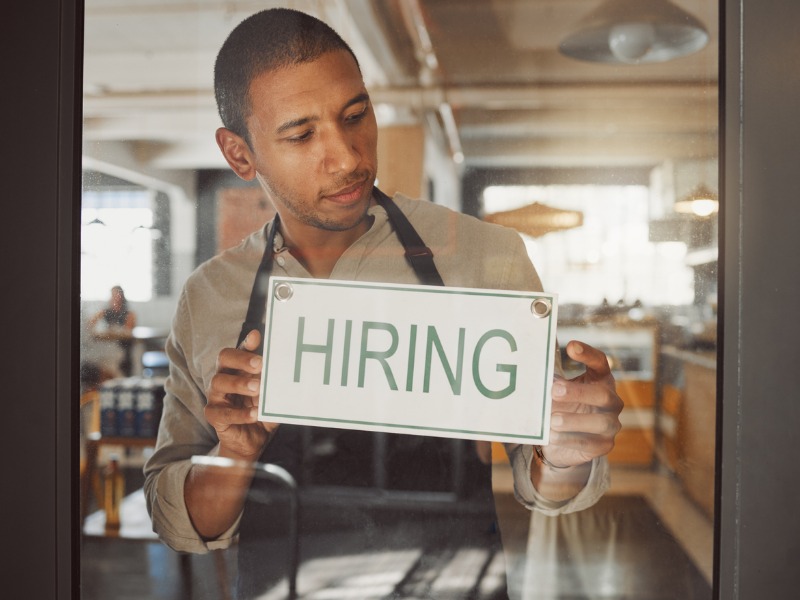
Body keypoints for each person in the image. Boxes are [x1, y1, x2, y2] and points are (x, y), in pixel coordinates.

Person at [143, 8, 623, 599]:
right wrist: (233, 455)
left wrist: (566, 452)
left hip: (456, 582)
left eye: (356, 115)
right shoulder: (210, 295)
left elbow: (545, 481)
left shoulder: (484, 256)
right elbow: (182, 525)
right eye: (300, 134)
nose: (346, 156)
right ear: (240, 155)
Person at [85, 285, 137, 378]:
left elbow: (128, 332)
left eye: (117, 295)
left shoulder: (129, 313)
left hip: (123, 348)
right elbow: (90, 323)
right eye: (112, 295)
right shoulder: (107, 312)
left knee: (123, 371)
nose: (114, 298)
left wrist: (113, 333)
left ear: (122, 297)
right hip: (110, 348)